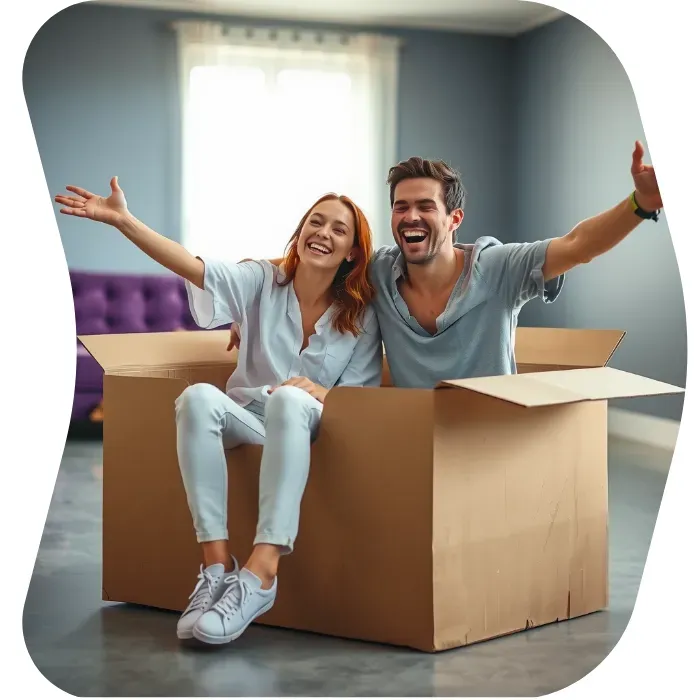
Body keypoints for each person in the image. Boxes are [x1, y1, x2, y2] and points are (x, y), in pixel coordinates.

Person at [54, 179, 383, 646]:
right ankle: (215, 569)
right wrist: (124, 221)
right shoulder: (261, 281)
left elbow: (362, 399)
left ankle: (262, 573)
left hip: (311, 433)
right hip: (250, 420)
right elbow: (194, 267)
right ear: (299, 231)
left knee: (291, 399)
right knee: (197, 398)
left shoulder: (361, 314)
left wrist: (320, 392)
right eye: (316, 221)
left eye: (339, 229)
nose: (324, 232)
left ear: (352, 251)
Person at [231, 140, 662, 387]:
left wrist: (640, 204)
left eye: (425, 206)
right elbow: (312, 258)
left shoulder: (499, 268)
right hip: (413, 436)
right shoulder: (379, 270)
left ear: (455, 219)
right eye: (401, 207)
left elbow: (578, 244)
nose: (411, 216)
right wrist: (256, 299)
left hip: (491, 433)